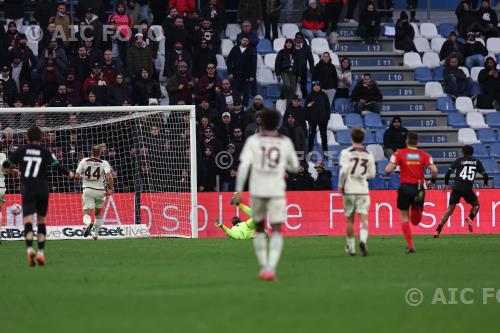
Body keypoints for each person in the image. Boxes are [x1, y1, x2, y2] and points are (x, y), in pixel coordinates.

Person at [235, 109, 299, 281]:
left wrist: (239, 190)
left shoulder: (253, 141)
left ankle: (264, 266)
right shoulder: (284, 142)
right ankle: (271, 267)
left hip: (258, 190)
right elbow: (294, 167)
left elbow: (243, 167)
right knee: (277, 229)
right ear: (278, 123)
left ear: (261, 122)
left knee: (260, 228)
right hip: (276, 190)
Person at [2, 126, 74, 266]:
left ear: (27, 137)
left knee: (28, 220)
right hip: (42, 188)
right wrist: (70, 174)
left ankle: (30, 249)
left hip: (28, 188)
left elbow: (5, 164)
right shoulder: (45, 151)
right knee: (41, 221)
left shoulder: (21, 150)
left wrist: (14, 169)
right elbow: (57, 166)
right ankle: (40, 252)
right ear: (41, 137)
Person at [384, 132, 438, 254]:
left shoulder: (399, 154)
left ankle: (410, 245)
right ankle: (417, 207)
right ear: (417, 142)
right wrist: (433, 182)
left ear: (407, 141)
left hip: (405, 188)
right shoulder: (424, 155)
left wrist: (388, 171)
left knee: (404, 217)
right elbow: (434, 170)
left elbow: (388, 170)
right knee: (416, 221)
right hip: (419, 188)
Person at [434, 145, 489, 238]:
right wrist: (485, 182)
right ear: (472, 152)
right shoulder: (477, 161)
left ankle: (437, 230)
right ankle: (470, 218)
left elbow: (448, 173)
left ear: (463, 152)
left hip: (456, 187)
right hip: (467, 188)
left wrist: (446, 184)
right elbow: (485, 175)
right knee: (476, 205)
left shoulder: (459, 160)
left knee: (449, 210)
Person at [338, 128, 376, 256]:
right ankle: (363, 241)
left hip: (349, 189)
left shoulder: (346, 153)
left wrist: (340, 185)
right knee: (364, 218)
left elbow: (343, 171)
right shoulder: (368, 154)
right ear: (363, 139)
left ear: (351, 138)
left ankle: (351, 247)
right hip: (363, 190)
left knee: (349, 220)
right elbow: (372, 174)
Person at [75, 145, 114, 240]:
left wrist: (84, 177)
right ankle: (95, 234)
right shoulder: (104, 163)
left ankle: (89, 224)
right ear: (100, 153)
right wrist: (110, 188)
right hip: (100, 192)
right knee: (98, 214)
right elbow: (109, 177)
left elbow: (76, 175)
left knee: (86, 213)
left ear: (91, 152)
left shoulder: (84, 161)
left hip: (88, 190)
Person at [226, 36, 257, 107]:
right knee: (236, 93)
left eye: (246, 41)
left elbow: (253, 64)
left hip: (247, 76)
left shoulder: (251, 50)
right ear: (240, 40)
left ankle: (245, 107)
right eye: (244, 40)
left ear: (248, 42)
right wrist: (230, 72)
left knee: (246, 93)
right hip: (235, 75)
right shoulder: (235, 49)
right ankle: (236, 107)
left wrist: (252, 75)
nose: (245, 42)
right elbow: (229, 61)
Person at [306, 81, 331, 157]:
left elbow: (328, 107)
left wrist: (327, 118)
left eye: (318, 85)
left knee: (324, 135)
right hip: (312, 120)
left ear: (320, 86)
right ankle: (310, 151)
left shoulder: (324, 95)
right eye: (315, 85)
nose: (316, 87)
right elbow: (306, 107)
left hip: (323, 120)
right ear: (312, 87)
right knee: (311, 136)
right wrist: (308, 118)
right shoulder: (309, 96)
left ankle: (325, 151)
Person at [275, 39, 299, 103]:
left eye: (290, 43)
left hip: (293, 72)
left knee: (293, 90)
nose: (288, 44)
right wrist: (277, 74)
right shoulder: (281, 52)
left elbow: (298, 64)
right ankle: (282, 96)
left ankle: (289, 108)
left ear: (292, 44)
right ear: (285, 44)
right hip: (284, 71)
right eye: (287, 43)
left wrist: (299, 74)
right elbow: (277, 63)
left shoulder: (296, 52)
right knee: (287, 85)